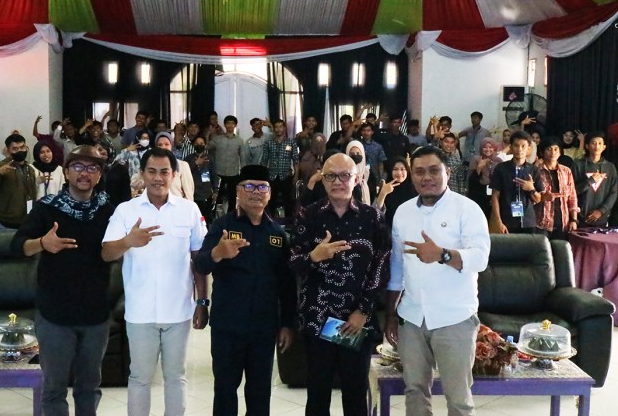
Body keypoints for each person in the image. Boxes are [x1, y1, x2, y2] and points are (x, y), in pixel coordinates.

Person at [101, 147, 208, 416]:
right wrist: (128, 241)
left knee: (176, 377)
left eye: (164, 172)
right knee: (139, 378)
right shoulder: (126, 210)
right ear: (142, 174)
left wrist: (202, 302)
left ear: (174, 175)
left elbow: (199, 260)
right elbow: (107, 253)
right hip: (140, 312)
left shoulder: (189, 210)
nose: (158, 178)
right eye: (151, 171)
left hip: (178, 310)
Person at [385, 145, 490, 416]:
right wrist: (391, 315)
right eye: (419, 172)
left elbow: (480, 259)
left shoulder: (467, 209)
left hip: (454, 318)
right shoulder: (403, 212)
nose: (427, 177)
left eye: (434, 170)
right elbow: (397, 266)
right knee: (415, 391)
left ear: (448, 172)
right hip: (411, 318)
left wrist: (442, 254)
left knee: (458, 398)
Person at [12, 145, 114, 416]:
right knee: (54, 388)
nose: (85, 173)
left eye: (92, 168)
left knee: (89, 388)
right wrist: (42, 243)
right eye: (78, 167)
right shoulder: (47, 208)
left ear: (99, 175)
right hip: (55, 314)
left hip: (95, 314)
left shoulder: (108, 211)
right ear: (66, 172)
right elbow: (17, 246)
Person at [289, 153, 389, 415]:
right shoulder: (308, 216)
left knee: (355, 394)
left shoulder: (372, 217)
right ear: (322, 179)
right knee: (318, 393)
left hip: (356, 320)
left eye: (345, 175)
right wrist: (314, 256)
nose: (337, 182)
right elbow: (293, 263)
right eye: (331, 176)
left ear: (357, 179)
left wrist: (363, 311)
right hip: (317, 318)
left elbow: (381, 266)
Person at [194, 164, 296, 416]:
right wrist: (218, 253)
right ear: (238, 192)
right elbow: (201, 264)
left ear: (269, 194)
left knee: (260, 392)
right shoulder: (222, 226)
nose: (256, 192)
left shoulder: (277, 234)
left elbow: (287, 284)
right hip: (228, 326)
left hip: (264, 327)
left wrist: (287, 324)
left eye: (262, 187)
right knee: (225, 390)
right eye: (249, 186)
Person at [489, 131, 543, 234]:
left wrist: (531, 189)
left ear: (529, 148)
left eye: (523, 146)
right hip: (506, 220)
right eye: (516, 145)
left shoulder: (534, 170)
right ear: (511, 147)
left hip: (528, 221)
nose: (519, 149)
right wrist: (498, 221)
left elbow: (538, 199)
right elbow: (495, 196)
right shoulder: (501, 168)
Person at [0, 134, 37, 230]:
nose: (20, 151)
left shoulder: (30, 169)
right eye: (15, 149)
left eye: (22, 147)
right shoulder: (1, 167)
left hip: (26, 222)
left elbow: (32, 195)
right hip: (5, 223)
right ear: (8, 150)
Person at [535, 137, 579, 239]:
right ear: (542, 152)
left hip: (563, 223)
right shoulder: (536, 171)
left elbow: (572, 197)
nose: (553, 152)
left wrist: (574, 220)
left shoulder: (566, 171)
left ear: (560, 152)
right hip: (541, 223)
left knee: (560, 248)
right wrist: (542, 197)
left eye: (556, 149)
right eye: (549, 149)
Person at [573, 132, 618, 227]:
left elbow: (614, 192)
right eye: (593, 143)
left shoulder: (610, 167)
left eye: (600, 143)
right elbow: (572, 191)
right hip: (579, 218)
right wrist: (590, 181)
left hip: (602, 218)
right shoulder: (578, 165)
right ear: (587, 146)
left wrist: (601, 211)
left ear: (604, 147)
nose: (597, 146)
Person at [261, 119, 299, 217]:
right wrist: (263, 177)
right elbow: (264, 161)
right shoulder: (268, 143)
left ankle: (289, 222)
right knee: (270, 201)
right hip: (272, 176)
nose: (278, 129)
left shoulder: (291, 142)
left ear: (284, 128)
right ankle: (270, 221)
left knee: (288, 201)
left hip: (286, 176)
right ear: (273, 129)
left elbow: (295, 160)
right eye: (276, 127)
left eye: (280, 126)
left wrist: (296, 176)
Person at [207, 115, 243, 213]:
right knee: (217, 197)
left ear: (235, 125)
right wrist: (208, 134)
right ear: (225, 125)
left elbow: (242, 158)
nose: (230, 125)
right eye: (228, 123)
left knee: (232, 198)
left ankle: (231, 217)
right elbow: (206, 148)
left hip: (233, 173)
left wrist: (242, 174)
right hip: (219, 174)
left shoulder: (240, 141)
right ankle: (215, 217)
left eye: (232, 123)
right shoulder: (217, 139)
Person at [373, 156, 417, 229]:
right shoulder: (385, 187)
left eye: (402, 169)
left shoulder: (415, 187)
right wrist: (383, 194)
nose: (399, 173)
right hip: (391, 231)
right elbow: (375, 213)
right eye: (395, 169)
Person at [467, 137, 502, 217]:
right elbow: (471, 181)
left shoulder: (498, 161)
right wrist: (479, 167)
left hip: (495, 193)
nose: (488, 149)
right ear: (481, 148)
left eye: (490, 147)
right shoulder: (476, 159)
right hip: (479, 194)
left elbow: (501, 179)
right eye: (485, 147)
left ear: (494, 148)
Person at [155, 131, 194, 201]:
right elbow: (136, 184)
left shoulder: (182, 165)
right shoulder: (152, 166)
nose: (163, 147)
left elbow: (189, 194)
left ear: (171, 146)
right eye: (160, 145)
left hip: (178, 206)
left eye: (166, 144)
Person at [185, 135, 215, 224]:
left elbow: (214, 175)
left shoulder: (210, 158)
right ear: (193, 145)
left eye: (201, 143)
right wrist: (195, 163)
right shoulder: (188, 158)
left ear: (205, 145)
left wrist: (216, 191)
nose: (199, 145)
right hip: (192, 194)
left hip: (206, 194)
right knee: (194, 219)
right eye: (197, 143)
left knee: (205, 219)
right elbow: (185, 173)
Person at [359, 122, 387, 199]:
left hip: (374, 176)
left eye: (368, 130)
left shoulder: (378, 146)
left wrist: (380, 176)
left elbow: (381, 162)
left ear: (372, 132)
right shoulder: (357, 145)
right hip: (360, 175)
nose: (366, 132)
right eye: (364, 130)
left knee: (372, 197)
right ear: (361, 132)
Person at [346, 140, 371, 205]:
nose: (355, 156)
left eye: (358, 153)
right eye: (352, 154)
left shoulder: (367, 173)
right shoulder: (344, 174)